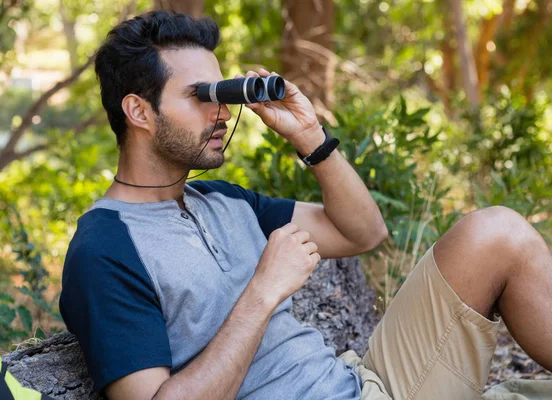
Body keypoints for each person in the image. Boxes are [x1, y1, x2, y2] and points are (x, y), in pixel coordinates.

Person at [59, 11, 552, 400]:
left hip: (365, 384)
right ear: (139, 111)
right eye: (200, 96)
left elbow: (362, 233)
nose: (221, 111)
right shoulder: (105, 248)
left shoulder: (222, 201)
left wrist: (310, 137)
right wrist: (263, 291)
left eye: (221, 92)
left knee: (495, 233)